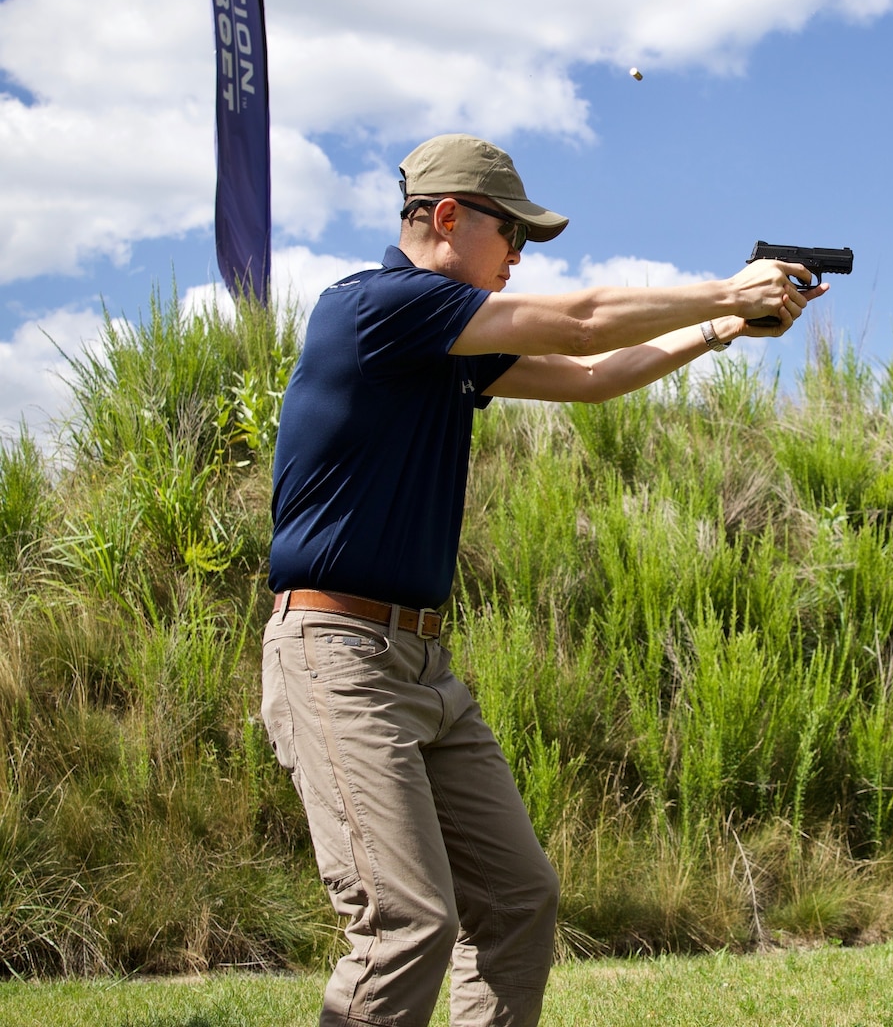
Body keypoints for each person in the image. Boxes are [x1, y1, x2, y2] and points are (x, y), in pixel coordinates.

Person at [259, 133, 823, 1027]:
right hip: (337, 655)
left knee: (519, 902)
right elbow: (584, 320)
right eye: (509, 234)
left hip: (422, 665)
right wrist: (727, 286)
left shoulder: (443, 340)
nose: (519, 257)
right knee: (406, 923)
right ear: (446, 219)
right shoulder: (378, 308)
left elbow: (595, 375)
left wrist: (722, 329)